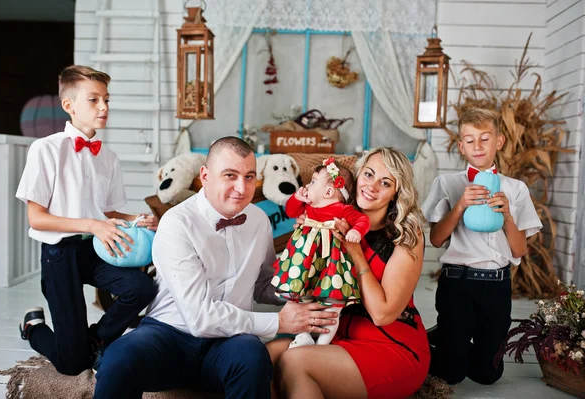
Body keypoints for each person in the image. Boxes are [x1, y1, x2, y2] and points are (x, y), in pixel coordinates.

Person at [93, 137, 339, 399]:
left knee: (252, 356)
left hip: (229, 342)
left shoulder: (258, 220)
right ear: (205, 176)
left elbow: (263, 285)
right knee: (118, 357)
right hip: (168, 334)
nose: (241, 187)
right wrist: (278, 321)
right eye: (230, 175)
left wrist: (305, 287)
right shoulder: (177, 223)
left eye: (249, 176)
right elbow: (200, 318)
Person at [15, 65, 158, 376]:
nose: (104, 107)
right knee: (72, 365)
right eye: (94, 100)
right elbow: (37, 218)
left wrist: (136, 218)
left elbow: (106, 213)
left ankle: (95, 339)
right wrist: (93, 225)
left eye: (106, 100)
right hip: (59, 254)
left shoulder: (109, 158)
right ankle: (33, 326)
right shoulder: (46, 149)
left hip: (95, 249)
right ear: (69, 105)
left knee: (142, 288)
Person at [269, 147, 430, 399]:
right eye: (368, 174)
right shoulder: (336, 214)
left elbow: (382, 314)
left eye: (385, 182)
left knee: (294, 361)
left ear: (396, 192)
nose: (372, 186)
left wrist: (355, 252)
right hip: (335, 333)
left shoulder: (406, 236)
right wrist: (310, 234)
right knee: (266, 356)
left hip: (390, 344)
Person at [422, 107, 542, 385]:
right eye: (470, 139)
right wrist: (460, 205)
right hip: (457, 281)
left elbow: (519, 251)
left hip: (497, 286)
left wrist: (508, 216)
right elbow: (437, 239)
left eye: (485, 138)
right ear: (461, 146)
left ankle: (451, 337)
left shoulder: (516, 189)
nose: (477, 146)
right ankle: (441, 341)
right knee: (451, 375)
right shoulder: (448, 183)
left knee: (488, 374)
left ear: (498, 142)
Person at [272, 157, 370, 349]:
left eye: (313, 181)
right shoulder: (308, 207)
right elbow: (291, 211)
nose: (307, 185)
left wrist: (355, 231)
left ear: (328, 191)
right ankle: (303, 335)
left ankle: (323, 344)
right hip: (305, 264)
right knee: (301, 299)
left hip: (330, 264)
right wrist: (296, 198)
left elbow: (362, 220)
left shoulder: (342, 209)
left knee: (333, 305)